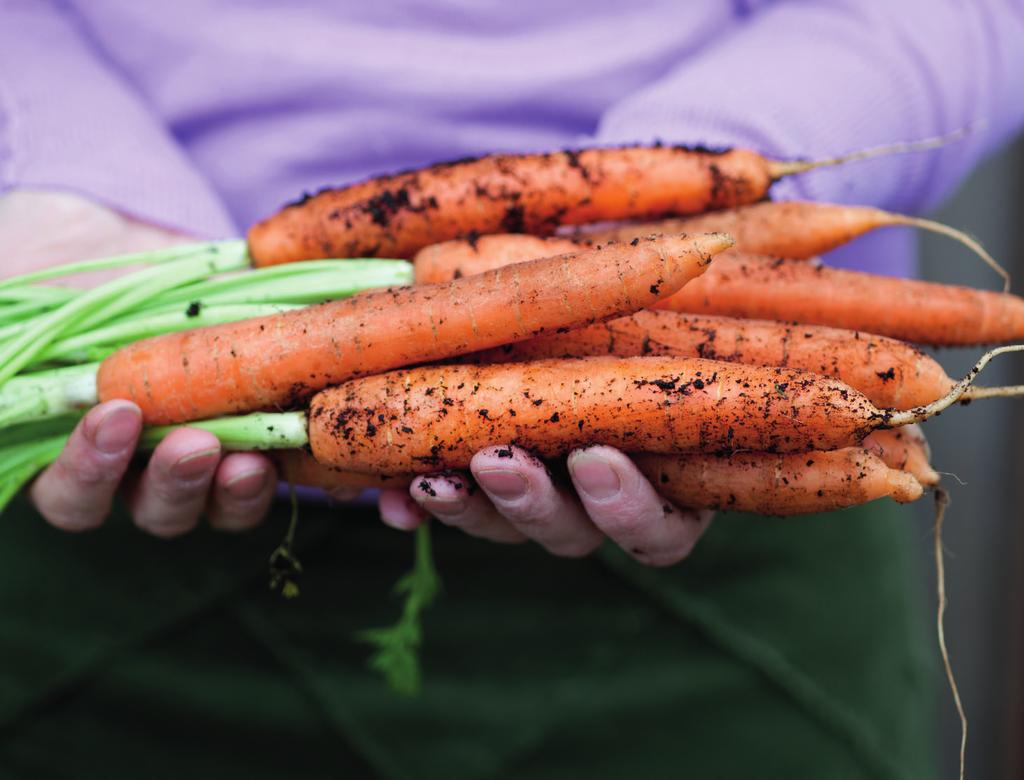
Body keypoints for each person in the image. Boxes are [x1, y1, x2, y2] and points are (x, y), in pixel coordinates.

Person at [1, 1, 1021, 777]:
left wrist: (691, 178)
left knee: (842, 408)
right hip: (93, 603)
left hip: (734, 496)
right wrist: (57, 170)